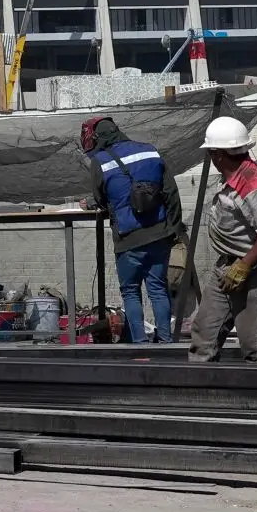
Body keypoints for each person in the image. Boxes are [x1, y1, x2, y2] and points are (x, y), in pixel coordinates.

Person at [187, 116, 257, 364]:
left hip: (253, 270)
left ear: (218, 154)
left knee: (254, 344)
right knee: (204, 334)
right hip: (226, 267)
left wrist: (244, 266)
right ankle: (200, 392)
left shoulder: (252, 184)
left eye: (211, 153)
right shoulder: (234, 178)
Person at [81, 116, 180, 343]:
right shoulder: (150, 151)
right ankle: (165, 342)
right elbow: (171, 192)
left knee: (131, 292)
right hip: (159, 232)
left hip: (128, 238)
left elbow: (100, 198)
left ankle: (140, 344)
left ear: (98, 137)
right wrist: (173, 227)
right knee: (157, 289)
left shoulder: (100, 161)